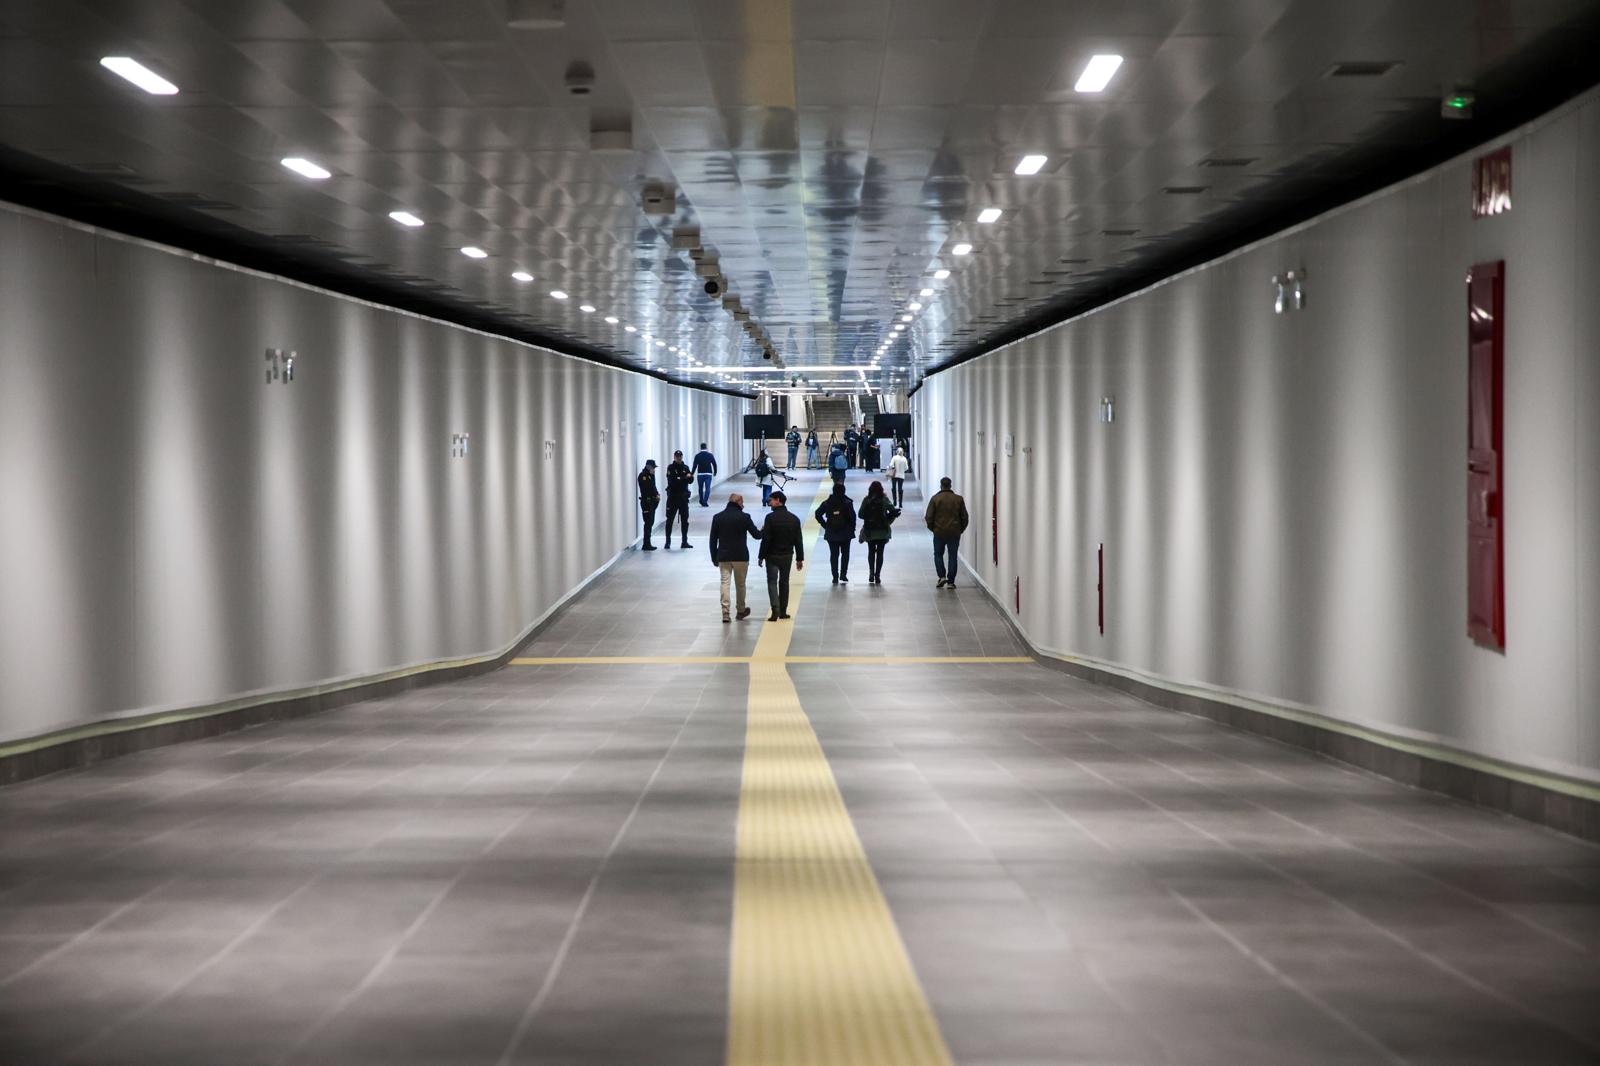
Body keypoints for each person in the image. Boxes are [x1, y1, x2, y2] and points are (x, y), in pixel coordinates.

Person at [708, 492, 761, 623]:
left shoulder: (718, 517)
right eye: (742, 503)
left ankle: (725, 612)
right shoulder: (744, 517)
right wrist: (765, 530)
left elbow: (712, 540)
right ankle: (741, 610)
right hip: (740, 556)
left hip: (724, 556)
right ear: (738, 503)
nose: (743, 505)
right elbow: (757, 535)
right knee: (740, 585)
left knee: (725, 583)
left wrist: (714, 556)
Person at [757, 490, 805, 621]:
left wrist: (761, 556)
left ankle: (775, 610)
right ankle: (783, 612)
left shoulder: (770, 518)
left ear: (778, 500)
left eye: (770, 500)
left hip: (772, 556)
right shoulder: (794, 519)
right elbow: (798, 540)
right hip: (787, 555)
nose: (769, 503)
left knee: (772, 582)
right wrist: (799, 558)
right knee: (784, 582)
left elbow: (766, 539)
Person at [924, 476, 969, 589]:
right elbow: (965, 517)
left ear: (941, 485)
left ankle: (942, 576)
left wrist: (933, 528)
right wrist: (960, 529)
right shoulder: (958, 499)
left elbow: (928, 517)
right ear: (950, 485)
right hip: (954, 532)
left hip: (939, 532)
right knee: (953, 556)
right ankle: (951, 582)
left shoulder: (935, 499)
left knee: (938, 554)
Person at [814, 482, 857, 585]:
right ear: (844, 491)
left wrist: (825, 525)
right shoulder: (847, 503)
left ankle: (835, 576)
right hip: (846, 533)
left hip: (832, 533)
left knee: (834, 554)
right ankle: (843, 574)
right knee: (845, 554)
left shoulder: (827, 503)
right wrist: (851, 528)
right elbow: (853, 518)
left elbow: (817, 514)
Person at [858, 480, 900, 585]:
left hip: (870, 531)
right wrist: (887, 519)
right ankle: (878, 576)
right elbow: (893, 511)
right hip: (882, 531)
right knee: (880, 553)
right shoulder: (884, 499)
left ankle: (871, 573)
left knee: (871, 552)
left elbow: (860, 514)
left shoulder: (866, 500)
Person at [662, 450, 694, 550]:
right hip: (673, 498)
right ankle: (667, 542)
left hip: (683, 499)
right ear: (674, 457)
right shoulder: (670, 468)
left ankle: (684, 541)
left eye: (680, 456)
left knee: (685, 521)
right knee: (669, 520)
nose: (679, 458)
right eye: (677, 456)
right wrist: (684, 477)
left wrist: (683, 478)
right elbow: (673, 482)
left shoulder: (686, 467)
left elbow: (691, 480)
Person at [637, 459, 660, 551]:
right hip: (646, 502)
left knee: (651, 522)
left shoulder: (651, 475)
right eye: (653, 467)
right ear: (648, 466)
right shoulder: (643, 476)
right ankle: (646, 544)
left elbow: (654, 487)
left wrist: (657, 494)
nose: (654, 469)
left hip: (652, 502)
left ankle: (648, 543)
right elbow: (648, 488)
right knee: (647, 523)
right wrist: (655, 494)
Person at [691, 442, 718, 507]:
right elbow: (714, 464)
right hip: (708, 474)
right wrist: (715, 472)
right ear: (706, 447)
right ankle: (705, 501)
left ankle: (701, 500)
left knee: (700, 488)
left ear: (700, 448)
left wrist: (692, 473)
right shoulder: (710, 455)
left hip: (700, 474)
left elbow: (694, 466)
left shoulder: (697, 456)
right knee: (707, 488)